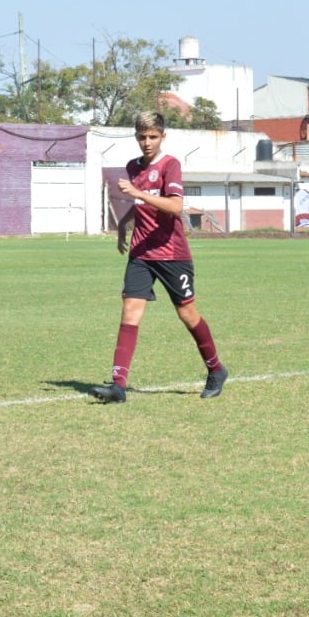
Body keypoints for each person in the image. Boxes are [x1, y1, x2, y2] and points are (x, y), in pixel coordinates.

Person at [91, 111, 228, 403]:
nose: (147, 142)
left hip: (171, 253)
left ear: (163, 136)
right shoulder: (133, 167)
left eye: (153, 136)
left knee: (187, 314)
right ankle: (118, 385)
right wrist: (123, 226)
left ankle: (216, 370)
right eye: (142, 136)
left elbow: (174, 206)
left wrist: (139, 193)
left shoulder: (170, 165)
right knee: (130, 312)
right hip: (141, 252)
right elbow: (141, 204)